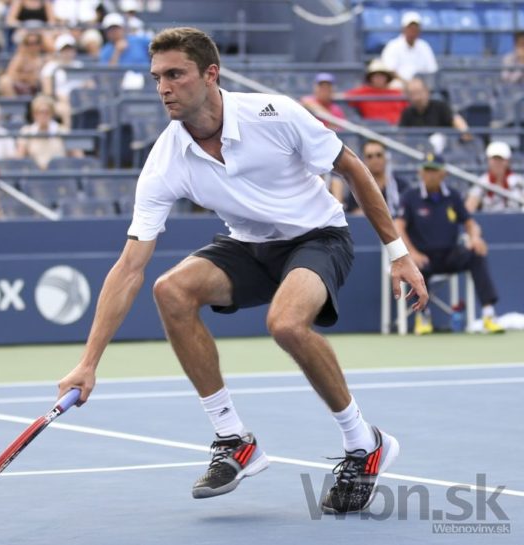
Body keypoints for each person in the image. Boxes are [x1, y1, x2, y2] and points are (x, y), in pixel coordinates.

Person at [56, 27, 428, 514]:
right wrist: (88, 362)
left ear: (210, 74)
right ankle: (234, 440)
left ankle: (365, 442)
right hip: (249, 246)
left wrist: (398, 253)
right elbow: (130, 267)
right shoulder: (165, 160)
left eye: (175, 75)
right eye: (157, 78)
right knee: (171, 290)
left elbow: (352, 166)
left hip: (318, 237)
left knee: (286, 323)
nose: (164, 88)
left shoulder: (274, 114)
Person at [396, 153, 504, 335]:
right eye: (427, 170)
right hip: (422, 256)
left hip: (449, 255)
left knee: (476, 254)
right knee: (415, 266)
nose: (430, 175)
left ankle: (488, 313)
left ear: (443, 174)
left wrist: (475, 238)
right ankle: (423, 315)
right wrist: (411, 253)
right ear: (420, 172)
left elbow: (470, 223)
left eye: (434, 171)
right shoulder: (410, 197)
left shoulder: (453, 196)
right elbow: (398, 227)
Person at [346, 140, 410, 216]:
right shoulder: (357, 188)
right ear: (364, 161)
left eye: (379, 155)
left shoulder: (401, 186)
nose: (375, 160)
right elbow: (350, 214)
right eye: (369, 156)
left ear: (386, 158)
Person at [399, 77, 472, 143]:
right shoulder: (407, 113)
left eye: (419, 92)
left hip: (445, 147)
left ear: (427, 91)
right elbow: (401, 135)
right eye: (412, 94)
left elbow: (455, 119)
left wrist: (465, 132)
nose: (417, 98)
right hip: (417, 147)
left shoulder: (440, 106)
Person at [17, 94, 82, 169]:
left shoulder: (62, 131)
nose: (43, 115)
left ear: (52, 113)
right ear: (34, 114)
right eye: (39, 112)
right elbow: (19, 158)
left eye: (46, 112)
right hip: (34, 174)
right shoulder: (26, 132)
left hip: (59, 173)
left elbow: (78, 156)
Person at [465, 141, 524, 213]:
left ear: (508, 161)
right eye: (494, 159)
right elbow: (469, 209)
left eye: (501, 159)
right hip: (489, 219)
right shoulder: (482, 182)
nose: (497, 163)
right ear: (488, 161)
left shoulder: (519, 182)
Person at [345, 59, 408, 125]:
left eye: (382, 76)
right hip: (372, 129)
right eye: (376, 76)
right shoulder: (362, 92)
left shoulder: (397, 93)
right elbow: (344, 97)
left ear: (387, 78)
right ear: (370, 78)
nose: (379, 78)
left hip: (396, 129)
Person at [381, 11, 438, 83]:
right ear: (403, 29)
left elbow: (432, 69)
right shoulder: (393, 46)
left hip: (421, 83)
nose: (413, 30)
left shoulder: (424, 46)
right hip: (399, 83)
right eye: (410, 28)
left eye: (416, 28)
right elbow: (389, 70)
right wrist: (407, 83)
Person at [0, 29, 47, 97]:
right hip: (22, 86)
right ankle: (13, 103)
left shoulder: (44, 59)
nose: (33, 46)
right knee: (4, 80)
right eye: (29, 43)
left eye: (36, 42)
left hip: (37, 88)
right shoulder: (20, 57)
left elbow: (40, 77)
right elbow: (10, 73)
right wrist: (26, 77)